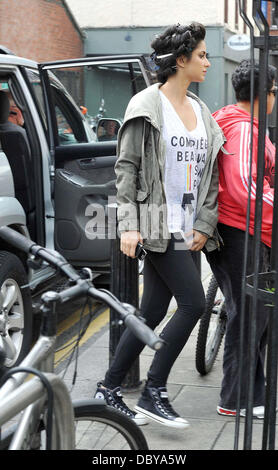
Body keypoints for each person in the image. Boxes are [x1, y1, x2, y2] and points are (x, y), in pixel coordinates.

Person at [94, 22, 224, 428]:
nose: (206, 61)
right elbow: (126, 169)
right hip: (156, 222)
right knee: (193, 304)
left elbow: (210, 174)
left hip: (186, 225)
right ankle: (154, 391)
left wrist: (204, 221)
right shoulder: (146, 105)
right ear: (180, 60)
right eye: (201, 55)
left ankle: (108, 390)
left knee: (150, 310)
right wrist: (129, 224)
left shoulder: (201, 110)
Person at [208, 59, 276, 418]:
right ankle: (236, 399)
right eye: (274, 91)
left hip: (233, 230)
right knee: (250, 314)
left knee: (250, 312)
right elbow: (244, 187)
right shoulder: (245, 130)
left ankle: (252, 392)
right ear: (264, 94)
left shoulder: (234, 120)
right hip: (240, 230)